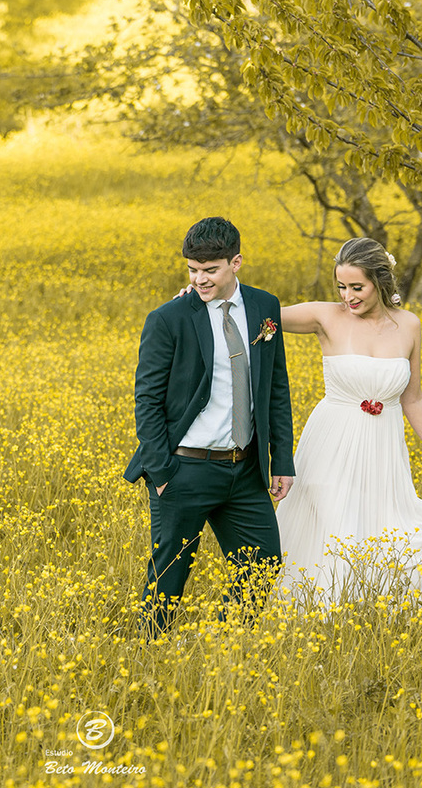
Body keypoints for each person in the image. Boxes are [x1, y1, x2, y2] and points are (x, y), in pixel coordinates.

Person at [124, 217, 296, 637]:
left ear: (236, 262)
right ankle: (150, 653)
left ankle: (224, 643)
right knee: (169, 576)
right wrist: (162, 473)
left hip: (246, 468)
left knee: (264, 564)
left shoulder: (263, 308)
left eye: (210, 270)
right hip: (185, 469)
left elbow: (276, 387)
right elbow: (146, 400)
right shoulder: (168, 318)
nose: (200, 279)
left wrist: (282, 460)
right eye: (192, 270)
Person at [274, 237, 422, 604]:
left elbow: (413, 397)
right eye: (342, 286)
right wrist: (211, 291)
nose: (348, 296)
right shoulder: (324, 316)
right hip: (332, 441)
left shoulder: (408, 325)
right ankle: (318, 612)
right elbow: (258, 312)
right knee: (333, 523)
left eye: (357, 287)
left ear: (380, 280)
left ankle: (364, 609)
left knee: (379, 525)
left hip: (383, 445)